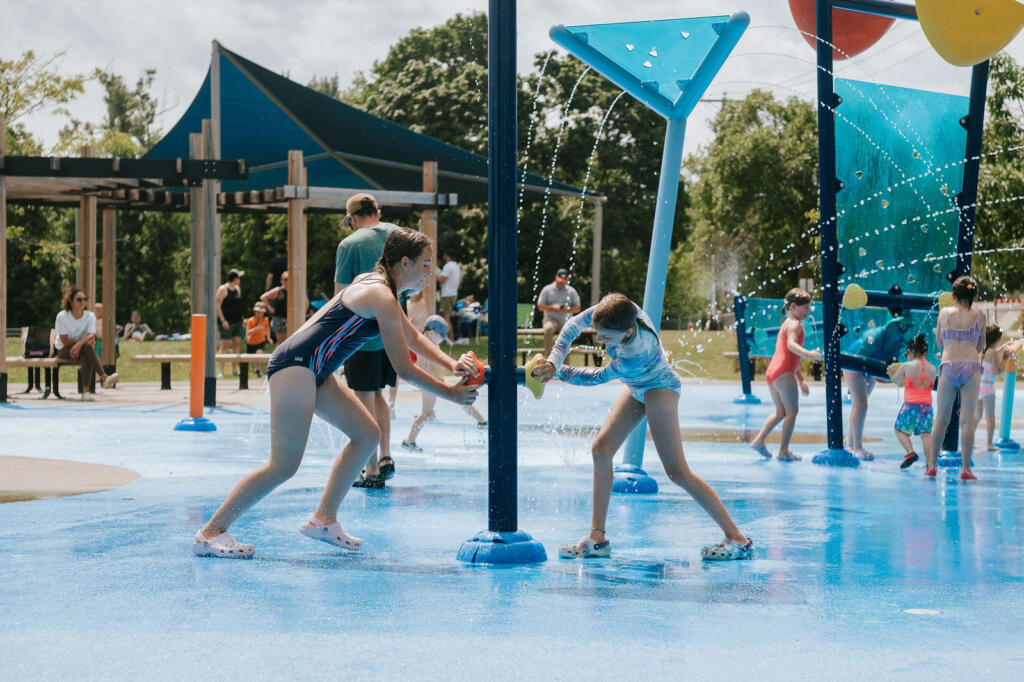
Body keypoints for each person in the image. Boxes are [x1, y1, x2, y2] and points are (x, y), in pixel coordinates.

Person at [192, 228, 479, 558]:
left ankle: (323, 520)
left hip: (314, 368)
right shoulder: (381, 295)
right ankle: (210, 533)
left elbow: (413, 337)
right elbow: (404, 368)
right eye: (425, 264)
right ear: (405, 263)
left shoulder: (380, 285)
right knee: (283, 465)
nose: (430, 272)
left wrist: (451, 362)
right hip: (295, 364)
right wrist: (451, 394)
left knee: (368, 434)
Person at [532, 293, 753, 561]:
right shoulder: (611, 311)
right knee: (601, 450)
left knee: (677, 472)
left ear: (628, 331)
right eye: (598, 333)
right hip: (636, 386)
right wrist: (554, 360)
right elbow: (571, 327)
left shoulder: (637, 349)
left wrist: (559, 373)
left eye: (606, 338)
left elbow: (598, 377)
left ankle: (738, 539)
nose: (600, 340)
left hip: (659, 386)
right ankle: (597, 539)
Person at [334, 193, 401, 486]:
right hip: (394, 329)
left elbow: (341, 294)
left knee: (363, 397)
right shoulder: (399, 236)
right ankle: (385, 455)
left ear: (352, 219)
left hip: (361, 333)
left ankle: (371, 469)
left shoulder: (349, 245)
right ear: (378, 211)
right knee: (378, 394)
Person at [748, 288, 822, 461]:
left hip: (773, 372)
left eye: (809, 307)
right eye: (805, 307)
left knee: (780, 412)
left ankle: (759, 441)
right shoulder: (795, 325)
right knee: (792, 412)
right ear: (794, 306)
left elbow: (789, 357)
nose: (808, 311)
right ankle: (783, 451)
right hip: (783, 372)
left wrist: (801, 381)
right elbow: (791, 346)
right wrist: (808, 353)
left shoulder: (787, 323)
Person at [926, 275, 986, 480]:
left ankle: (932, 466)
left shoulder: (944, 313)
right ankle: (966, 470)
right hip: (971, 366)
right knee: (967, 420)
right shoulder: (980, 315)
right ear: (975, 296)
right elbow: (980, 346)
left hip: (949, 365)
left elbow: (940, 344)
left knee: (941, 419)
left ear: (953, 296)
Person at [401, 315, 486, 452]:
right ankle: (409, 441)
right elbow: (423, 369)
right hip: (430, 385)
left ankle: (481, 421)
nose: (441, 340)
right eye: (440, 337)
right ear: (430, 333)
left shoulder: (434, 344)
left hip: (437, 382)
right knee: (425, 414)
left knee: (461, 399)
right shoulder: (423, 348)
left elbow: (440, 365)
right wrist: (437, 383)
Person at [842, 315, 912, 461]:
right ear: (891, 327)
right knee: (861, 404)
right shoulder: (874, 336)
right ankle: (857, 447)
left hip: (870, 367)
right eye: (900, 328)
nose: (903, 331)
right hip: (853, 362)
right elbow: (859, 359)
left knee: (858, 405)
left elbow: (888, 368)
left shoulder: (898, 343)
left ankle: (850, 442)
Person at [54, 286, 118, 400]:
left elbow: (91, 335)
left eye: (85, 299)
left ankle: (85, 393)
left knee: (85, 355)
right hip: (64, 349)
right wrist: (81, 343)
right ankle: (104, 377)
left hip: (81, 349)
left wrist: (79, 344)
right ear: (71, 301)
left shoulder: (89, 315)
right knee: (87, 349)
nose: (82, 302)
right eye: (79, 299)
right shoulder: (62, 316)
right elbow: (64, 340)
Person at [888, 334, 936, 469]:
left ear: (909, 351)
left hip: (910, 406)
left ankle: (910, 452)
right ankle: (930, 465)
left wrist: (893, 372)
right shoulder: (932, 368)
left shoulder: (907, 366)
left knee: (899, 430)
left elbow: (896, 381)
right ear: (925, 352)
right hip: (927, 407)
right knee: (926, 435)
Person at [978, 324, 1011, 452]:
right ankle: (989, 444)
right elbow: (997, 371)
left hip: (980, 386)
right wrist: (1005, 357)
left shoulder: (985, 351)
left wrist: (1001, 349)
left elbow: (992, 354)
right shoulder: (993, 353)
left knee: (978, 415)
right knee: (990, 417)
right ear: (997, 339)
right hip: (988, 388)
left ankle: (971, 439)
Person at [536, 268, 581, 356]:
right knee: (548, 329)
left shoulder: (571, 291)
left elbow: (578, 308)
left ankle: (564, 365)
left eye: (564, 282)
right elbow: (540, 306)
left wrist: (567, 309)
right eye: (560, 281)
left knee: (567, 334)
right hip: (550, 319)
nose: (562, 284)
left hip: (565, 321)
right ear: (556, 278)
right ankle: (550, 360)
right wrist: (553, 307)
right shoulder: (547, 289)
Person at [262, 271, 306, 345]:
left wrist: (302, 313)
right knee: (281, 340)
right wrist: (270, 309)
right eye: (285, 279)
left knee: (292, 340)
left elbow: (306, 302)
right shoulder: (278, 290)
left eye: (289, 279)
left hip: (291, 318)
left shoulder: (295, 291)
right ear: (282, 280)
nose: (287, 281)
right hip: (279, 318)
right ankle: (278, 356)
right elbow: (263, 297)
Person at [215, 269, 245, 377]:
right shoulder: (222, 289)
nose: (240, 280)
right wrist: (223, 320)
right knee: (225, 345)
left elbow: (238, 306)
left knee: (236, 344)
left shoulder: (237, 289)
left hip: (237, 321)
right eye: (239, 278)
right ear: (235, 279)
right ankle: (221, 370)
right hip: (226, 322)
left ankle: (234, 369)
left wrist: (242, 320)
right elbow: (217, 306)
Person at [437, 250, 461, 342]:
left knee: (446, 318)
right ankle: (448, 339)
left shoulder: (448, 266)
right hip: (452, 293)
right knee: (445, 317)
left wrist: (434, 276)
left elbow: (442, 280)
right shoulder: (456, 266)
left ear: (446, 255)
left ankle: (451, 340)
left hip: (447, 294)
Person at [245, 303, 272, 377]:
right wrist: (257, 328)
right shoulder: (250, 320)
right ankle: (245, 373)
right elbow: (248, 332)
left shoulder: (265, 319)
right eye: (259, 312)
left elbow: (267, 328)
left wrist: (268, 338)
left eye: (262, 312)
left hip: (261, 341)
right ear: (255, 312)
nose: (261, 314)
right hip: (251, 342)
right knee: (249, 359)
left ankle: (258, 369)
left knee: (259, 355)